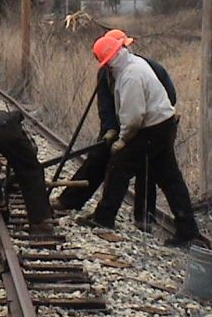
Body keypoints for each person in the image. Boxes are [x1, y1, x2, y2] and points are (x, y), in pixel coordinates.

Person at [77, 36, 199, 247]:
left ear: (111, 59)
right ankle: (188, 231)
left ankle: (104, 218)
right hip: (163, 124)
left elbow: (133, 117)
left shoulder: (130, 76)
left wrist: (122, 140)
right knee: (170, 179)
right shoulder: (133, 64)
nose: (106, 68)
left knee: (118, 166)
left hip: (151, 128)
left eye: (105, 63)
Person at [53, 29, 177, 231]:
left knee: (146, 168)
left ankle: (144, 217)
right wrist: (110, 129)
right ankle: (70, 201)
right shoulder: (105, 72)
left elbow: (169, 97)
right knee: (99, 157)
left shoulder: (145, 68)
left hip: (148, 124)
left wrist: (139, 128)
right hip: (122, 124)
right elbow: (105, 104)